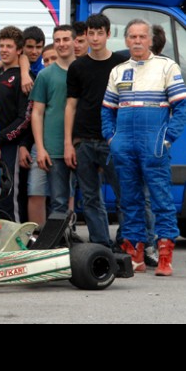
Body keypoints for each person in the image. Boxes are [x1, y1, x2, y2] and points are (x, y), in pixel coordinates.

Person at [103, 18, 186, 276]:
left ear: (150, 40)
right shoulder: (118, 70)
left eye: (142, 36)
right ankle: (135, 254)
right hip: (124, 144)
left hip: (154, 143)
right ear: (126, 40)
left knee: (161, 199)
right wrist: (112, 139)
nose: (137, 41)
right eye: (132, 36)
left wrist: (167, 139)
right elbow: (107, 110)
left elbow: (181, 107)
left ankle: (165, 256)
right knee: (129, 200)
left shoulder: (166, 66)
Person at [65, 13, 127, 248]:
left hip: (114, 141)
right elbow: (71, 105)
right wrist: (69, 143)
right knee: (90, 197)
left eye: (100, 33)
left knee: (124, 195)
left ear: (108, 34)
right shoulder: (77, 66)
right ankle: (101, 245)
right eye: (91, 33)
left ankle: (126, 243)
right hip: (84, 141)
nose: (95, 38)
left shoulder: (121, 64)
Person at [28, 25, 76, 226]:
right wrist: (40, 148)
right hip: (51, 146)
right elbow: (37, 113)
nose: (62, 44)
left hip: (80, 144)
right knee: (54, 199)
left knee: (82, 196)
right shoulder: (45, 75)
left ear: (74, 41)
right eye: (57, 40)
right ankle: (54, 239)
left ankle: (75, 235)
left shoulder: (83, 70)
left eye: (66, 39)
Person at [0, 26, 31, 221]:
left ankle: (17, 233)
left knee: (10, 194)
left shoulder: (24, 78)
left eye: (9, 46)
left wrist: (1, 138)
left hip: (10, 146)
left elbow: (25, 118)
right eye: (1, 45)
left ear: (19, 50)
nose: (4, 50)